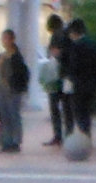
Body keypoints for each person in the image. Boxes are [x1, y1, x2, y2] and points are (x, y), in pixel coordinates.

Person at [60, 16, 96, 136]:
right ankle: (87, 135)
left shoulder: (75, 47)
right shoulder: (93, 45)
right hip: (91, 84)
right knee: (87, 113)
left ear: (73, 32)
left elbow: (72, 67)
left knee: (79, 113)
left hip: (78, 85)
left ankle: (82, 137)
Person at [0, 28, 30, 151]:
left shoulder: (16, 57)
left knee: (13, 115)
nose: (4, 41)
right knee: (4, 116)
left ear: (12, 40)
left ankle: (15, 141)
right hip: (2, 89)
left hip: (13, 90)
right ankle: (6, 141)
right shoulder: (2, 56)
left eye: (6, 38)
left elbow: (20, 74)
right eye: (3, 38)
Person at [40, 12, 69, 143]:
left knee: (54, 107)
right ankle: (69, 133)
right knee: (67, 106)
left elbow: (53, 53)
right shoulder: (67, 35)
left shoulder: (56, 36)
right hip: (66, 75)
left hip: (56, 76)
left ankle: (58, 135)